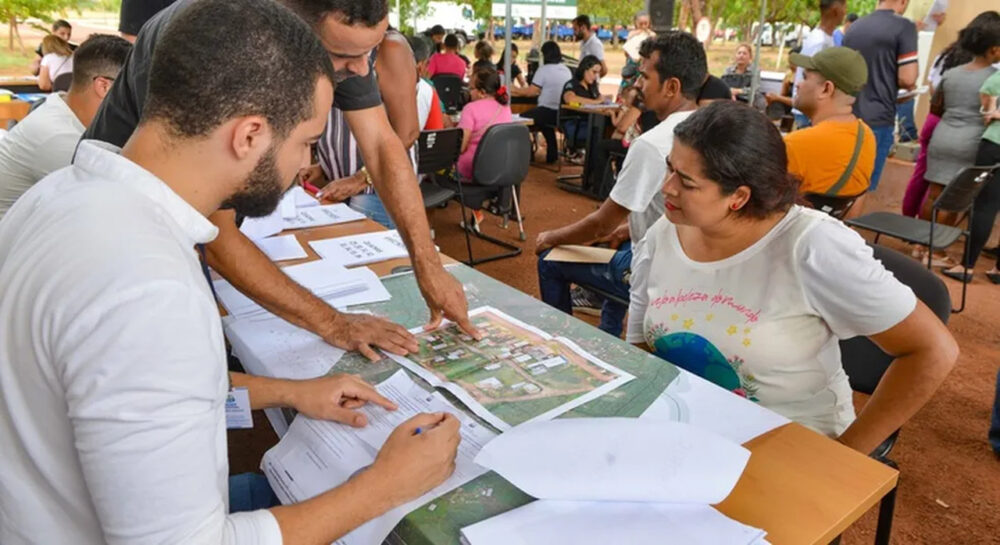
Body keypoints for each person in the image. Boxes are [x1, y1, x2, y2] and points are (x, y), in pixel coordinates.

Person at [0, 2, 461, 544]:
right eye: (307, 145)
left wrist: (290, 392)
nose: (301, 170)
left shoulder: (55, 199)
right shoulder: (151, 291)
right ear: (249, 135)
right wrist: (385, 486)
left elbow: (132, 389)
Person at [83, 0, 478, 357]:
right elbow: (214, 231)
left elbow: (381, 145)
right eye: (343, 55)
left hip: (174, 212)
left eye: (370, 52)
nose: (361, 69)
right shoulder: (225, 43)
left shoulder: (339, 40)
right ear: (290, 25)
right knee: (176, 352)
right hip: (125, 223)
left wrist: (428, 263)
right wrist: (334, 323)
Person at [627, 100, 958, 454]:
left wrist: (847, 456)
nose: (667, 188)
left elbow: (933, 350)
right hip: (692, 429)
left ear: (739, 196)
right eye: (669, 168)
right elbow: (638, 346)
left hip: (792, 443)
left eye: (687, 182)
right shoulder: (665, 233)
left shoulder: (812, 246)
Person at [535, 31, 707, 337]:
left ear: (672, 87)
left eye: (644, 76)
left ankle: (559, 342)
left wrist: (551, 236)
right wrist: (629, 227)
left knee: (550, 260)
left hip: (655, 273)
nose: (637, 84)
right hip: (695, 272)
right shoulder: (711, 127)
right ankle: (608, 327)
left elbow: (601, 225)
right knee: (627, 241)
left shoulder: (653, 144)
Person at [0, 35, 131, 221]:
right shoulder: (57, 137)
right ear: (104, 86)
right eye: (132, 90)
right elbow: (115, 209)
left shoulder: (63, 108)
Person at [304, 29, 420, 230]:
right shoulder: (332, 47)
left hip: (376, 192)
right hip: (341, 187)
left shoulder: (389, 48)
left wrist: (361, 179)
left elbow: (407, 132)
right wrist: (325, 165)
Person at [923, 12, 1000, 227]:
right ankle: (936, 251)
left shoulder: (952, 73)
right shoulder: (994, 78)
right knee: (954, 200)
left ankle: (920, 244)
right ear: (993, 49)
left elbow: (937, 104)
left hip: (942, 136)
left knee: (933, 195)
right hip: (970, 142)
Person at [901, 20, 982, 219]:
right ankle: (931, 238)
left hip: (934, 119)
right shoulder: (982, 69)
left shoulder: (945, 56)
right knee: (944, 186)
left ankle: (909, 218)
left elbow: (933, 87)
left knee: (922, 172)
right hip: (957, 127)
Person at [785, 47, 875, 213]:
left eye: (805, 77)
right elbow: (856, 204)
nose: (798, 84)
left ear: (826, 89)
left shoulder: (796, 144)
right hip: (828, 233)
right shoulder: (866, 136)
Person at [843, 0, 919, 193]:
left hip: (846, 113)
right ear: (903, 2)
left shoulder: (855, 26)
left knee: (841, 179)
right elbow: (908, 78)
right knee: (863, 185)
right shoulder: (904, 26)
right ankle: (850, 223)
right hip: (877, 117)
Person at [942, 63, 1000, 283]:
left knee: (986, 205)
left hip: (995, 143)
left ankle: (966, 266)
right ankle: (998, 271)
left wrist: (991, 111)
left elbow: (988, 91)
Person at [512, 41, 572, 164]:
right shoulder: (566, 70)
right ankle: (552, 155)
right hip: (562, 113)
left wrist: (514, 90)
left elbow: (531, 92)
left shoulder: (543, 70)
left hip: (546, 111)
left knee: (520, 119)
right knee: (545, 126)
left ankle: (527, 152)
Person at [790, 0, 846, 130]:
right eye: (844, 8)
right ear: (836, 10)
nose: (845, 13)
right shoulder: (819, 42)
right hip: (809, 112)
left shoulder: (826, 38)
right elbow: (810, 78)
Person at [457, 63, 513, 184]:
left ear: (482, 92)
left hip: (471, 169)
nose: (469, 92)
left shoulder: (470, 109)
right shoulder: (505, 107)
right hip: (500, 168)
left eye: (471, 88)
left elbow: (461, 147)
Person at [561, 54, 608, 157]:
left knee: (609, 129)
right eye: (594, 72)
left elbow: (599, 99)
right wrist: (596, 102)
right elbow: (570, 99)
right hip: (575, 123)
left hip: (590, 122)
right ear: (584, 70)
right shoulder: (572, 84)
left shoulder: (592, 87)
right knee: (600, 133)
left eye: (598, 73)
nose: (596, 76)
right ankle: (593, 168)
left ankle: (598, 167)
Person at [409, 35, 446, 130]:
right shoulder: (427, 91)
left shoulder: (373, 85)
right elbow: (436, 131)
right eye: (427, 64)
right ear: (421, 66)